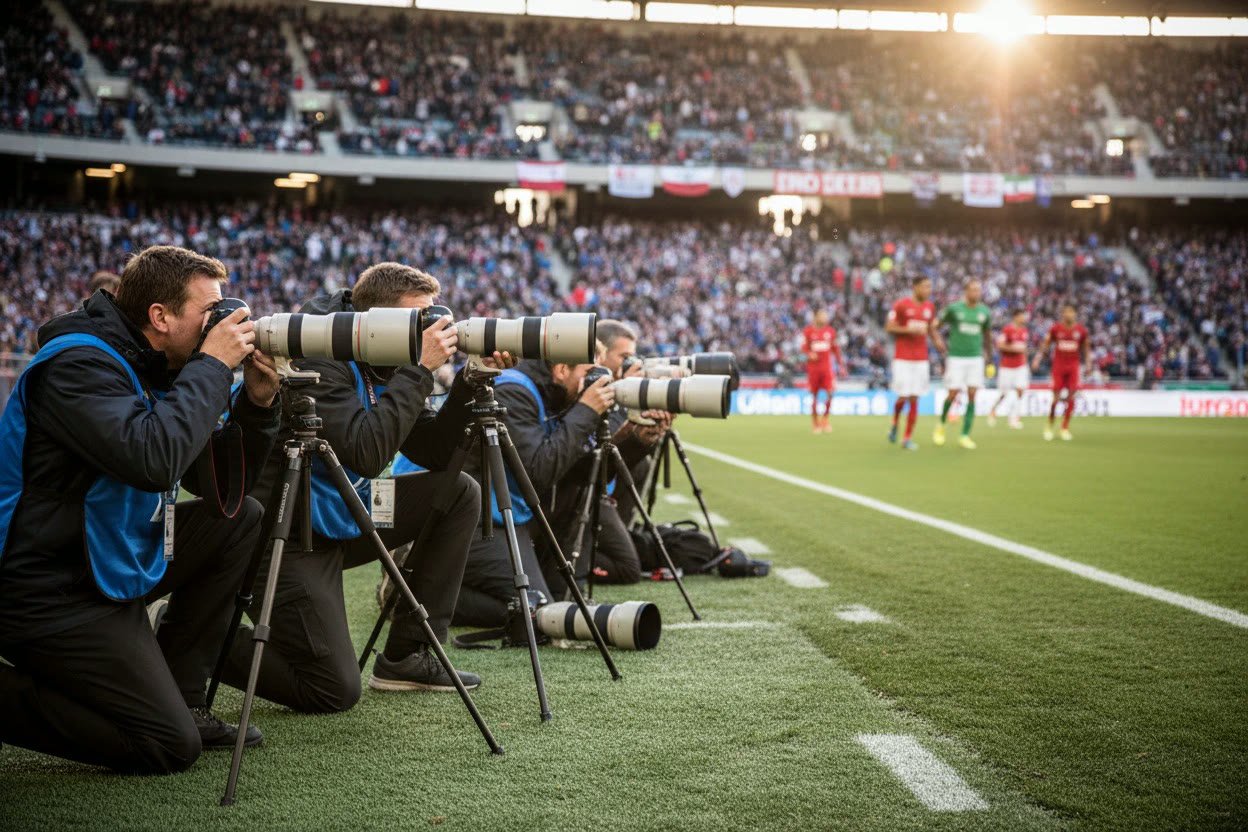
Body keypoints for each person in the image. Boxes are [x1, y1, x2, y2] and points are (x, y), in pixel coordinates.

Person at [0, 245, 280, 774]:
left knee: (239, 521)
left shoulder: (151, 364)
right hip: (47, 587)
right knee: (166, 746)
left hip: (109, 558)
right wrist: (213, 365)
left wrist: (258, 405)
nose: (220, 323)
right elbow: (152, 459)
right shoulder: (77, 364)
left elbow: (216, 483)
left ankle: (184, 691)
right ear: (161, 316)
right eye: (209, 313)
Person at [220, 263, 510, 707]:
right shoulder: (319, 347)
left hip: (346, 511)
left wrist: (469, 382)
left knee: (458, 491)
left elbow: (433, 451)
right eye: (418, 319)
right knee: (333, 689)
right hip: (290, 532)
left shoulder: (385, 353)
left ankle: (408, 654)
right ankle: (190, 634)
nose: (428, 328)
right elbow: (365, 454)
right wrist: (421, 370)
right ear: (377, 319)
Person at [453, 351, 660, 627]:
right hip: (476, 523)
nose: (592, 383)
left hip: (512, 515)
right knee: (538, 612)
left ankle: (557, 587)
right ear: (562, 368)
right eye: (587, 374)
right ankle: (414, 594)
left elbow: (580, 474)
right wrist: (585, 411)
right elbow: (537, 473)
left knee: (555, 602)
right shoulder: (514, 390)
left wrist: (635, 439)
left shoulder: (553, 394)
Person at [885, 276, 944, 451]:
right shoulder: (901, 305)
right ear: (915, 287)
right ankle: (895, 422)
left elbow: (931, 328)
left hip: (921, 359)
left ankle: (907, 437)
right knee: (903, 396)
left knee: (915, 397)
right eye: (925, 287)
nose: (928, 290)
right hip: (903, 358)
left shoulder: (929, 307)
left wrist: (937, 341)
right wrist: (907, 329)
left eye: (929, 287)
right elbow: (889, 327)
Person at [933, 280, 992, 450]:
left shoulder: (984, 312)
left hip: (975, 358)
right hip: (956, 357)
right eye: (973, 290)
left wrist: (989, 355)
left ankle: (965, 435)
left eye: (978, 290)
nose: (976, 293)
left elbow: (987, 335)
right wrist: (939, 341)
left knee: (973, 394)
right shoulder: (954, 309)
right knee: (952, 393)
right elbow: (936, 326)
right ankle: (941, 425)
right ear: (966, 291)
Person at [1032, 304, 1089, 442]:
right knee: (1056, 398)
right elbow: (1046, 344)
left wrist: (1088, 364)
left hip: (1073, 367)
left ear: (1075, 314)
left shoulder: (1081, 331)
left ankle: (1064, 428)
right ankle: (1049, 425)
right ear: (1062, 314)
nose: (1069, 315)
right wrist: (1038, 358)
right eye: (1066, 312)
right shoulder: (1056, 329)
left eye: (1071, 312)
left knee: (1071, 397)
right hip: (1058, 367)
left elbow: (1086, 349)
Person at [802, 309, 845, 434]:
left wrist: (841, 365)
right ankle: (815, 423)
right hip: (813, 369)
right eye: (823, 316)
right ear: (816, 317)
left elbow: (835, 350)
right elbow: (803, 348)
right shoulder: (808, 331)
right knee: (814, 395)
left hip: (827, 369)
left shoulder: (830, 332)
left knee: (830, 393)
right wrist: (809, 354)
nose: (825, 318)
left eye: (826, 316)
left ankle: (825, 420)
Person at [988, 308, 1030, 429]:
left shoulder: (1024, 331)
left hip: (1020, 366)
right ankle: (993, 410)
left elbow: (1024, 349)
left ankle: (1014, 418)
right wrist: (1015, 349)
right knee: (1004, 393)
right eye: (1022, 316)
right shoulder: (1008, 330)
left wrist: (1025, 360)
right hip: (1006, 366)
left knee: (1020, 391)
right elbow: (1000, 345)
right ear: (1016, 317)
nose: (1024, 318)